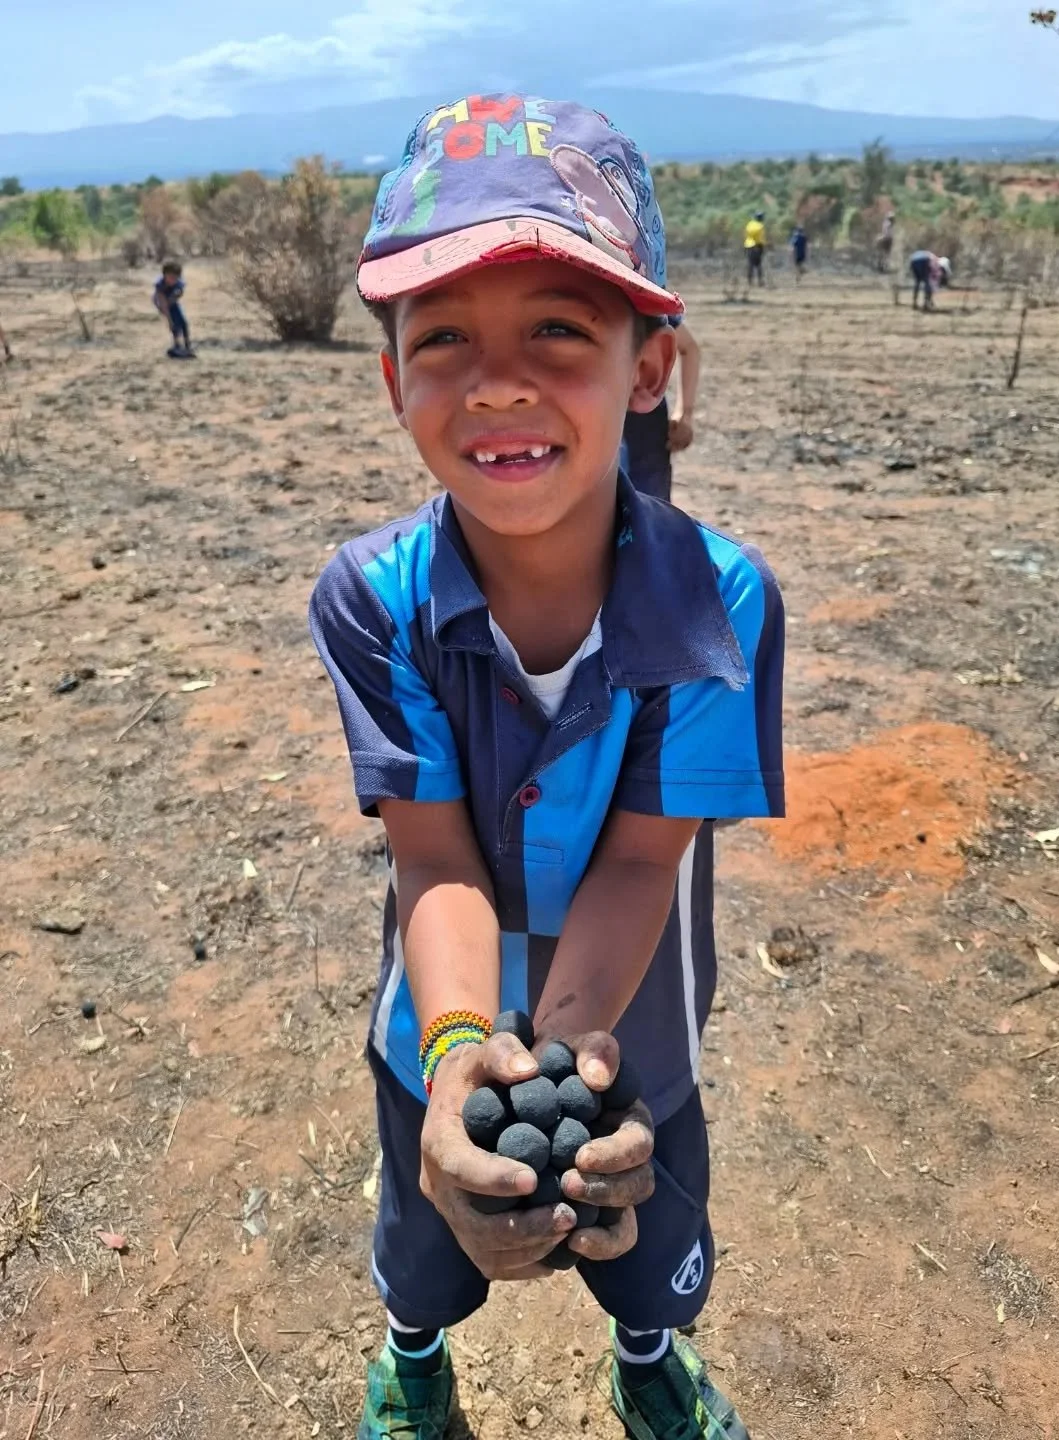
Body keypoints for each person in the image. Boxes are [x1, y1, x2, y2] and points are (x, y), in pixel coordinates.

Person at [309, 93, 784, 1440]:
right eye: (444, 336)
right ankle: (413, 1359)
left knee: (637, 1223)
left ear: (648, 366)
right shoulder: (373, 598)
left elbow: (644, 853)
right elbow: (435, 849)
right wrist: (464, 1056)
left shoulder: (720, 603)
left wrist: (573, 1052)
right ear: (393, 376)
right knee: (429, 1232)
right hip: (439, 1017)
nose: (498, 381)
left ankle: (649, 1361)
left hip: (633, 1017)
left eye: (559, 330)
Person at [620, 320, 700, 500]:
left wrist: (685, 413)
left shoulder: (647, 295)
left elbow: (689, 347)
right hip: (599, 416)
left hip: (642, 425)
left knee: (649, 510)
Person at [153, 260, 194, 357]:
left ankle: (187, 345)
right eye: (170, 277)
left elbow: (180, 293)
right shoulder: (160, 286)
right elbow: (163, 304)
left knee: (183, 323)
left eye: (175, 278)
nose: (173, 280)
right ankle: (177, 345)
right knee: (174, 324)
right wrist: (169, 320)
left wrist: (175, 296)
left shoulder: (179, 284)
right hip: (161, 303)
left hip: (172, 301)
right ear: (164, 275)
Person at [744, 211, 766, 287]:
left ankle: (750, 281)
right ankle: (760, 281)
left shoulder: (749, 224)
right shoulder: (760, 226)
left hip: (748, 245)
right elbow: (760, 238)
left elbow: (746, 234)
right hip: (757, 246)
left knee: (750, 264)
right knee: (758, 264)